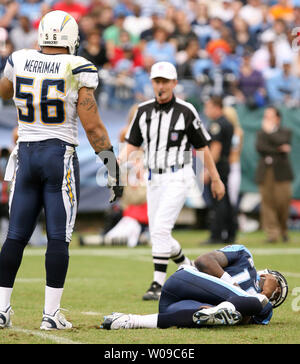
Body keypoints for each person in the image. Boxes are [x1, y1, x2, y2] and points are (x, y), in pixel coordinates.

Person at [0, 10, 123, 331]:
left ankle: (1, 309)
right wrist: (112, 166)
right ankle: (50, 314)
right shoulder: (77, 67)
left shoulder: (20, 58)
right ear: (71, 39)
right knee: (59, 236)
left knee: (15, 237)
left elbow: (4, 91)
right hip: (59, 155)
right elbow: (94, 127)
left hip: (26, 155)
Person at [119, 61, 225, 301]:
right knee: (159, 232)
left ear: (175, 83)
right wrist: (117, 164)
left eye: (165, 81)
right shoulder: (143, 111)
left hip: (178, 175)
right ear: (151, 83)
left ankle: (157, 284)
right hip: (154, 177)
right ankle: (186, 265)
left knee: (160, 230)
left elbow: (202, 147)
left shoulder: (187, 110)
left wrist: (216, 178)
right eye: (157, 81)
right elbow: (133, 145)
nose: (161, 86)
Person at [101, 244, 288, 330]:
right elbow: (203, 261)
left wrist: (218, 311)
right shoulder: (244, 257)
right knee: (258, 303)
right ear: (267, 274)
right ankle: (223, 308)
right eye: (278, 284)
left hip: (177, 306)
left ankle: (130, 321)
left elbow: (241, 320)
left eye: (276, 294)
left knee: (202, 318)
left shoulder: (265, 310)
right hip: (185, 281)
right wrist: (232, 284)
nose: (276, 291)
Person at [255, 106, 293, 243]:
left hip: (281, 173)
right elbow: (260, 148)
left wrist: (271, 133)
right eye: (265, 116)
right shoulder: (260, 133)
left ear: (277, 118)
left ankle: (283, 230)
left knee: (283, 202)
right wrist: (278, 148)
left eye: (270, 116)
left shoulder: (286, 131)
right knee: (267, 203)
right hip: (265, 171)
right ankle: (272, 234)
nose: (266, 119)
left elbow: (284, 143)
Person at [201, 96, 236, 245]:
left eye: (208, 107)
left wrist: (209, 171)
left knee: (218, 201)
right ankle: (230, 233)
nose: (206, 110)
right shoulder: (227, 122)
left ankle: (217, 234)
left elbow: (215, 148)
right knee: (225, 200)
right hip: (224, 164)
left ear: (217, 107)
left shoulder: (217, 124)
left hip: (218, 166)